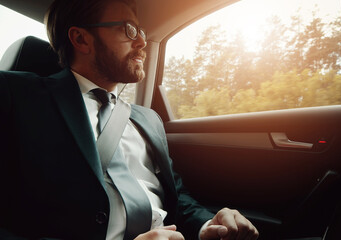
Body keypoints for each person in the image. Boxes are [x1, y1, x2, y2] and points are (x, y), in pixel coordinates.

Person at [0, 0, 259, 239]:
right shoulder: (17, 95)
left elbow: (177, 198)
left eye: (141, 32)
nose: (142, 42)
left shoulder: (148, 119)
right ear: (81, 39)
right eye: (128, 30)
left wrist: (207, 225)